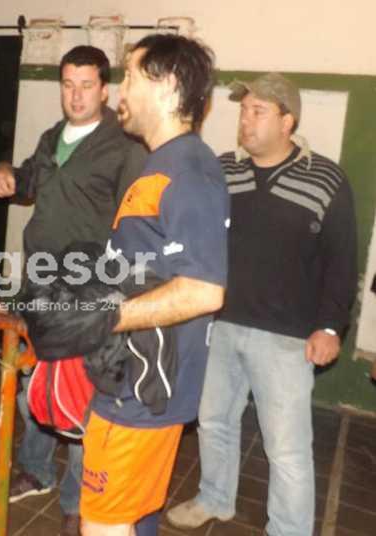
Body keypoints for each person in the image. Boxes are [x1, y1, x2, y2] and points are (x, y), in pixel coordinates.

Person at [21, 34, 228, 536]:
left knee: (102, 524)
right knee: (132, 519)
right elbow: (145, 264)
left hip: (144, 390)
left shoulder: (188, 171)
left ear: (167, 86)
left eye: (131, 77)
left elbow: (203, 289)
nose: (120, 92)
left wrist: (101, 318)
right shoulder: (159, 163)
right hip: (125, 376)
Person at [166, 73, 357, 536]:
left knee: (286, 448)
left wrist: (330, 327)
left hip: (287, 338)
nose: (245, 121)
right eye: (243, 110)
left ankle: (288, 529)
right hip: (221, 324)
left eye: (258, 111)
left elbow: (342, 260)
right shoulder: (223, 170)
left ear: (288, 121)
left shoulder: (325, 178)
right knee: (213, 421)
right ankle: (215, 498)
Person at [0, 45, 147, 536]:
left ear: (105, 90)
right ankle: (35, 469)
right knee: (33, 381)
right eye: (68, 85)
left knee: (81, 393)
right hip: (40, 282)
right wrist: (5, 171)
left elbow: (135, 220)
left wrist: (117, 289)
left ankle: (77, 501)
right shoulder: (53, 136)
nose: (76, 96)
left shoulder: (125, 145)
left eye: (86, 86)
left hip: (86, 289)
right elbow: (28, 181)